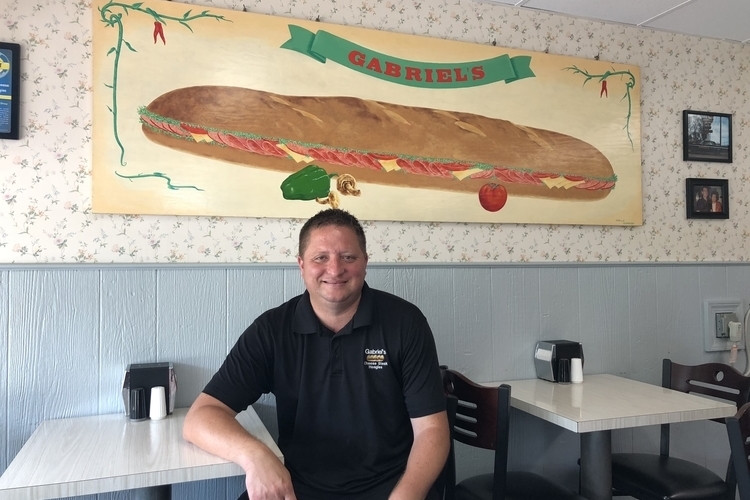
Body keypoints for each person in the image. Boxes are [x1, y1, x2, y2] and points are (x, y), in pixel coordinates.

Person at [183, 208, 449, 500]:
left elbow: (431, 430)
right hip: (298, 488)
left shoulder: (406, 323)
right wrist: (255, 455)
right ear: (301, 265)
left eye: (348, 257)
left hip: (393, 487)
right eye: (320, 258)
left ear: (365, 263)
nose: (335, 270)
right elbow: (201, 418)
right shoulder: (271, 330)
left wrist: (405, 496)